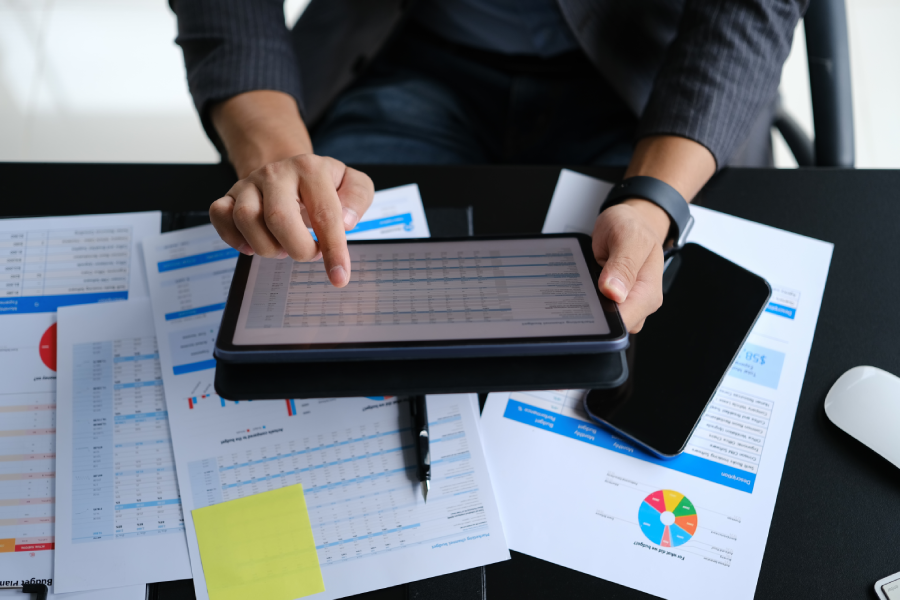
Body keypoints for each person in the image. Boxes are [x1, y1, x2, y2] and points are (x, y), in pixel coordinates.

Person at [171, 0, 806, 332]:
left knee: (632, 320)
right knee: (326, 298)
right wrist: (283, 161)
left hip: (648, 76)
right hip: (407, 49)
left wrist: (652, 203)